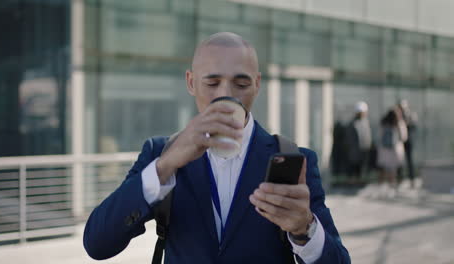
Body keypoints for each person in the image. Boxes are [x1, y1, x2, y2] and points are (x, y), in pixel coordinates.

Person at [83, 32, 350, 264]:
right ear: (190, 83)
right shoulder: (159, 153)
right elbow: (97, 244)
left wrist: (305, 230)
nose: (227, 94)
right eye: (212, 83)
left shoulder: (294, 159)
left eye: (242, 84)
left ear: (257, 84)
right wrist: (164, 168)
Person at [376, 108, 407, 197]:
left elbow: (379, 136)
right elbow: (404, 137)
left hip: (384, 150)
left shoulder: (383, 123)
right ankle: (391, 187)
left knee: (383, 169)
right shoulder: (399, 123)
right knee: (393, 170)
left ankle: (381, 187)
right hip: (395, 150)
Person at [345, 101, 372, 184]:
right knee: (354, 167)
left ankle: (359, 181)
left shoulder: (366, 122)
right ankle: (353, 182)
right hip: (355, 151)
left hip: (364, 150)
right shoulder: (352, 123)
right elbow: (349, 139)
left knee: (361, 168)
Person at [396, 99, 418, 188]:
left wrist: (406, 123)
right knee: (399, 161)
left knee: (409, 161)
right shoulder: (398, 116)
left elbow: (414, 127)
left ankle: (412, 179)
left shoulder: (410, 115)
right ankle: (399, 179)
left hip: (408, 142)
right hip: (399, 142)